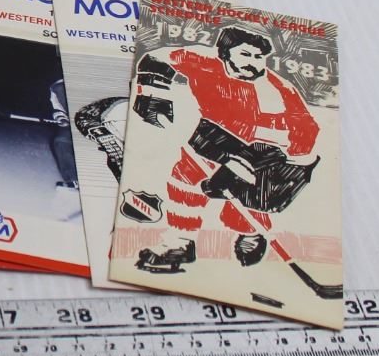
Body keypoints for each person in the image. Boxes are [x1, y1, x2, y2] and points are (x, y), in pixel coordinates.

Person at [130, 25, 321, 274]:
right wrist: (152, 94)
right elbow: (157, 58)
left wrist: (253, 168)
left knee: (240, 204)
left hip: (261, 153)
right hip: (213, 139)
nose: (252, 62)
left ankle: (250, 231)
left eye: (258, 57)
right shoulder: (202, 61)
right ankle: (180, 242)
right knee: (185, 180)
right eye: (245, 54)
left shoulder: (276, 91)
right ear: (224, 53)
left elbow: (304, 133)